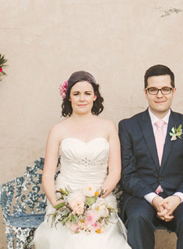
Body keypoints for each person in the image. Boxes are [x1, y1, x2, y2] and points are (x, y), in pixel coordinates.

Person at [32, 70, 131, 249]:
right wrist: (57, 202)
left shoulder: (108, 127)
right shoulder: (58, 130)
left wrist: (97, 200)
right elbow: (47, 175)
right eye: (76, 94)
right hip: (65, 198)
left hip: (100, 199)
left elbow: (115, 171)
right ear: (68, 97)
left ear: (95, 96)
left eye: (87, 93)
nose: (82, 98)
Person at [118, 64, 183, 249]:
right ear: (145, 92)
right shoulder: (128, 126)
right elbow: (128, 174)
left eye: (165, 89)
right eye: (153, 90)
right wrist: (154, 199)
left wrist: (176, 198)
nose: (159, 95)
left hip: (179, 196)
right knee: (137, 217)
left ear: (173, 91)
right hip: (142, 197)